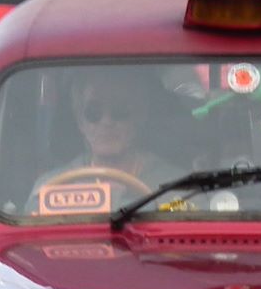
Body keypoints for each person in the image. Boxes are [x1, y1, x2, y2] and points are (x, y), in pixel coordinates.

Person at [33, 74, 170, 209]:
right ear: (80, 122)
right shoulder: (50, 187)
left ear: (139, 117)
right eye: (93, 112)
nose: (106, 122)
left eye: (120, 110)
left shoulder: (171, 183)